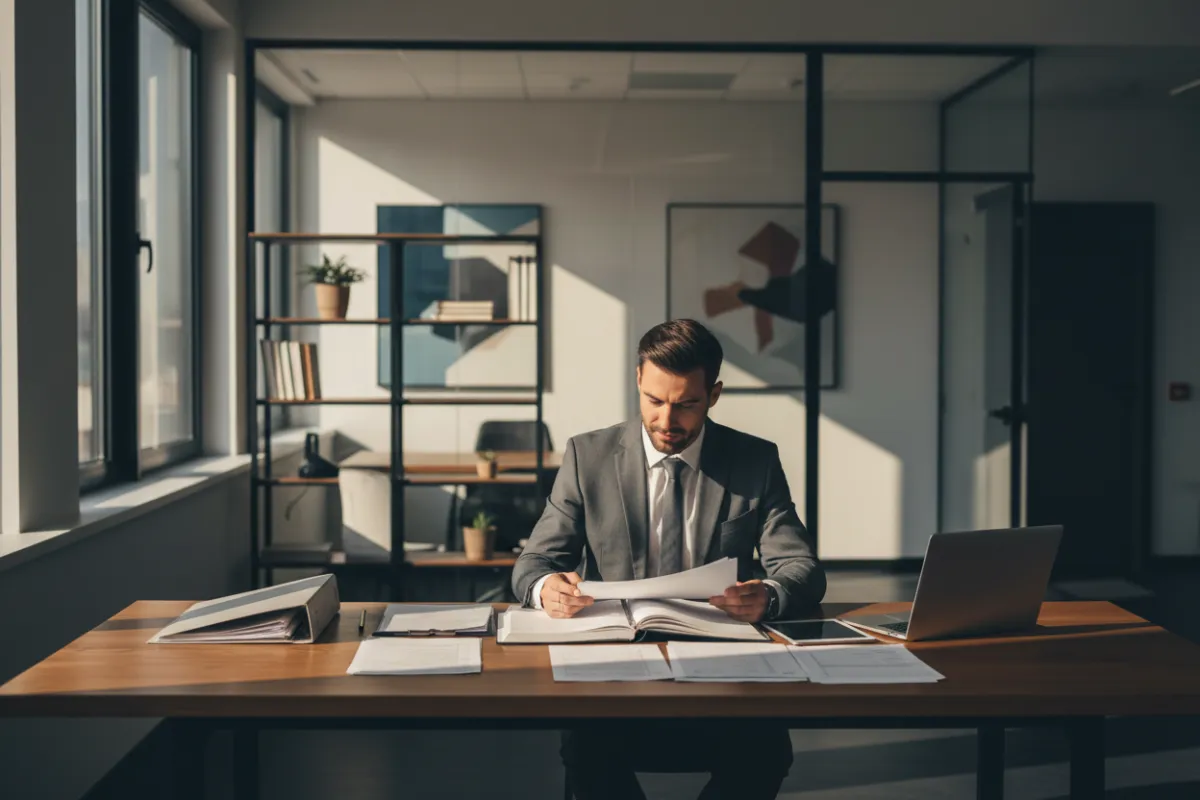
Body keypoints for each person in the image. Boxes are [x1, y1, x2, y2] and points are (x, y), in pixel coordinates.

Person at [512, 318, 826, 800]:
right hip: (614, 665)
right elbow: (534, 562)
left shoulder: (754, 460)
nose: (666, 420)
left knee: (764, 750)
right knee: (587, 748)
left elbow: (800, 567)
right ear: (638, 379)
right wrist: (545, 588)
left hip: (723, 665)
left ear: (714, 395)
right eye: (654, 400)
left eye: (686, 404)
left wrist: (769, 593)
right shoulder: (586, 456)